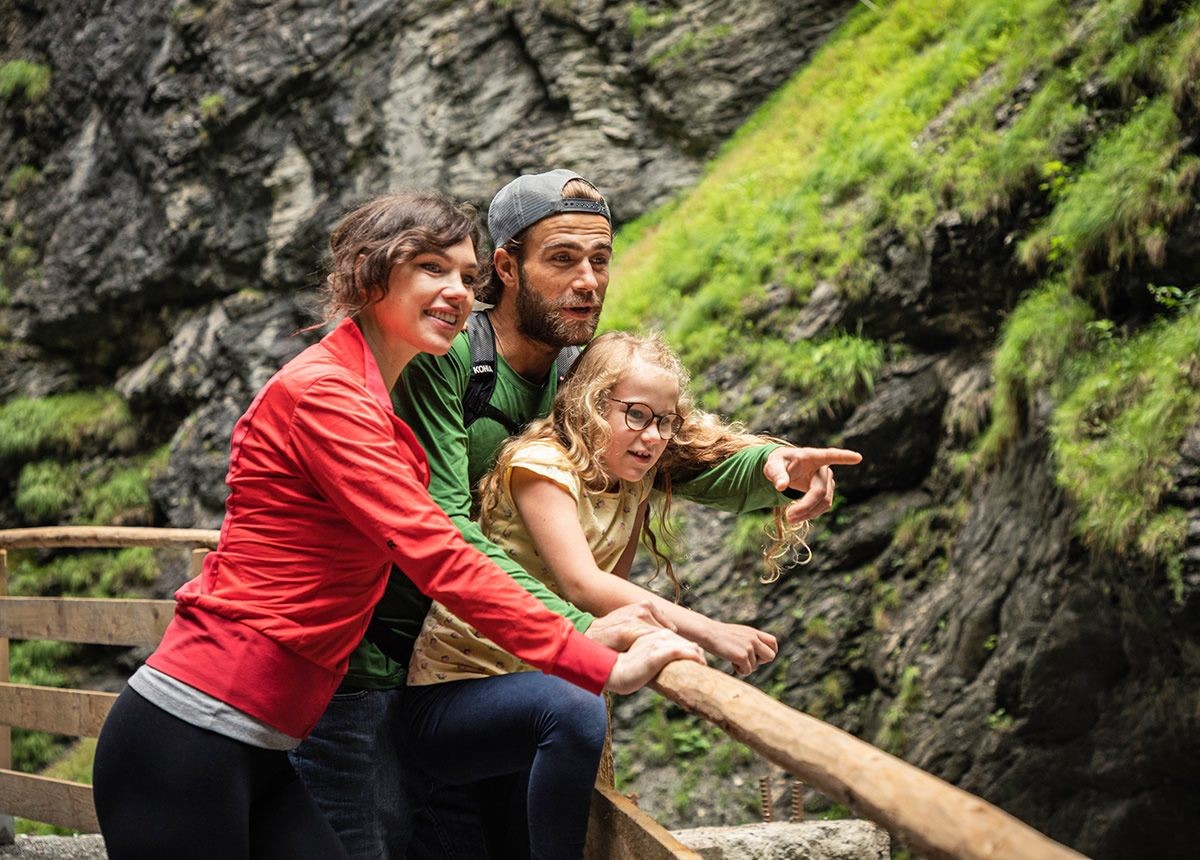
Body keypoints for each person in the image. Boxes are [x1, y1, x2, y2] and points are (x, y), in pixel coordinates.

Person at [90, 191, 703, 860]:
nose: (457, 292)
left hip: (256, 744)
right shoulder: (324, 396)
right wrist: (593, 663)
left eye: (468, 277)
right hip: (189, 734)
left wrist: (764, 469)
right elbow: (438, 553)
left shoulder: (371, 397)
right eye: (431, 269)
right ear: (369, 275)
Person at [291, 169, 863, 858]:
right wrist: (580, 631)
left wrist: (769, 469)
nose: (588, 280)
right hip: (372, 667)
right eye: (562, 259)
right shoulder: (444, 360)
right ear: (504, 267)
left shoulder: (576, 373)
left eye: (600, 259)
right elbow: (444, 530)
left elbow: (662, 449)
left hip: (497, 666)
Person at [401, 331, 810, 858]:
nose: (652, 435)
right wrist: (709, 630)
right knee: (576, 706)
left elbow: (605, 598)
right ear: (593, 404)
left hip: (528, 695)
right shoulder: (539, 466)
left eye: (665, 421)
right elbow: (584, 583)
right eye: (636, 415)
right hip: (454, 698)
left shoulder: (633, 482)